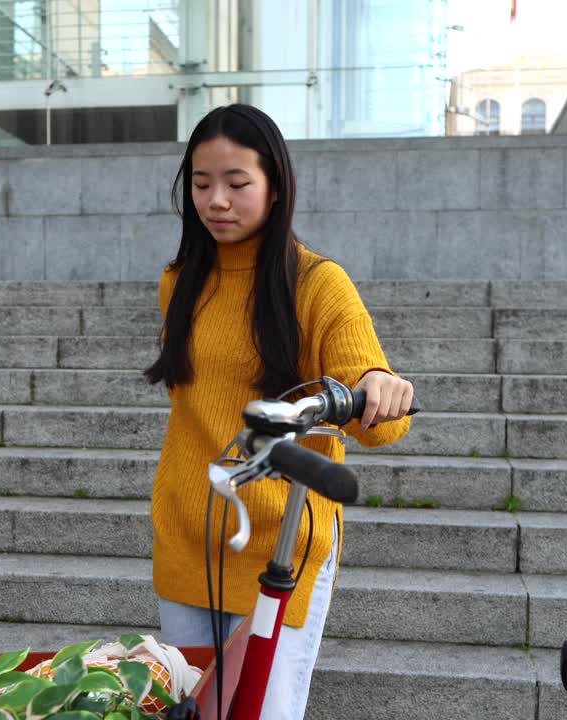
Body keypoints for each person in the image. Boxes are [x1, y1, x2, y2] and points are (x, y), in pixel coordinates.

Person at [144, 104, 414, 720]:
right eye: (202, 183)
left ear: (274, 186)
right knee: (193, 709)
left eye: (238, 184)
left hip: (282, 547)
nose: (217, 200)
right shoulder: (179, 280)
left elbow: (382, 416)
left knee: (266, 711)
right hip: (190, 535)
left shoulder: (318, 283)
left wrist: (377, 383)